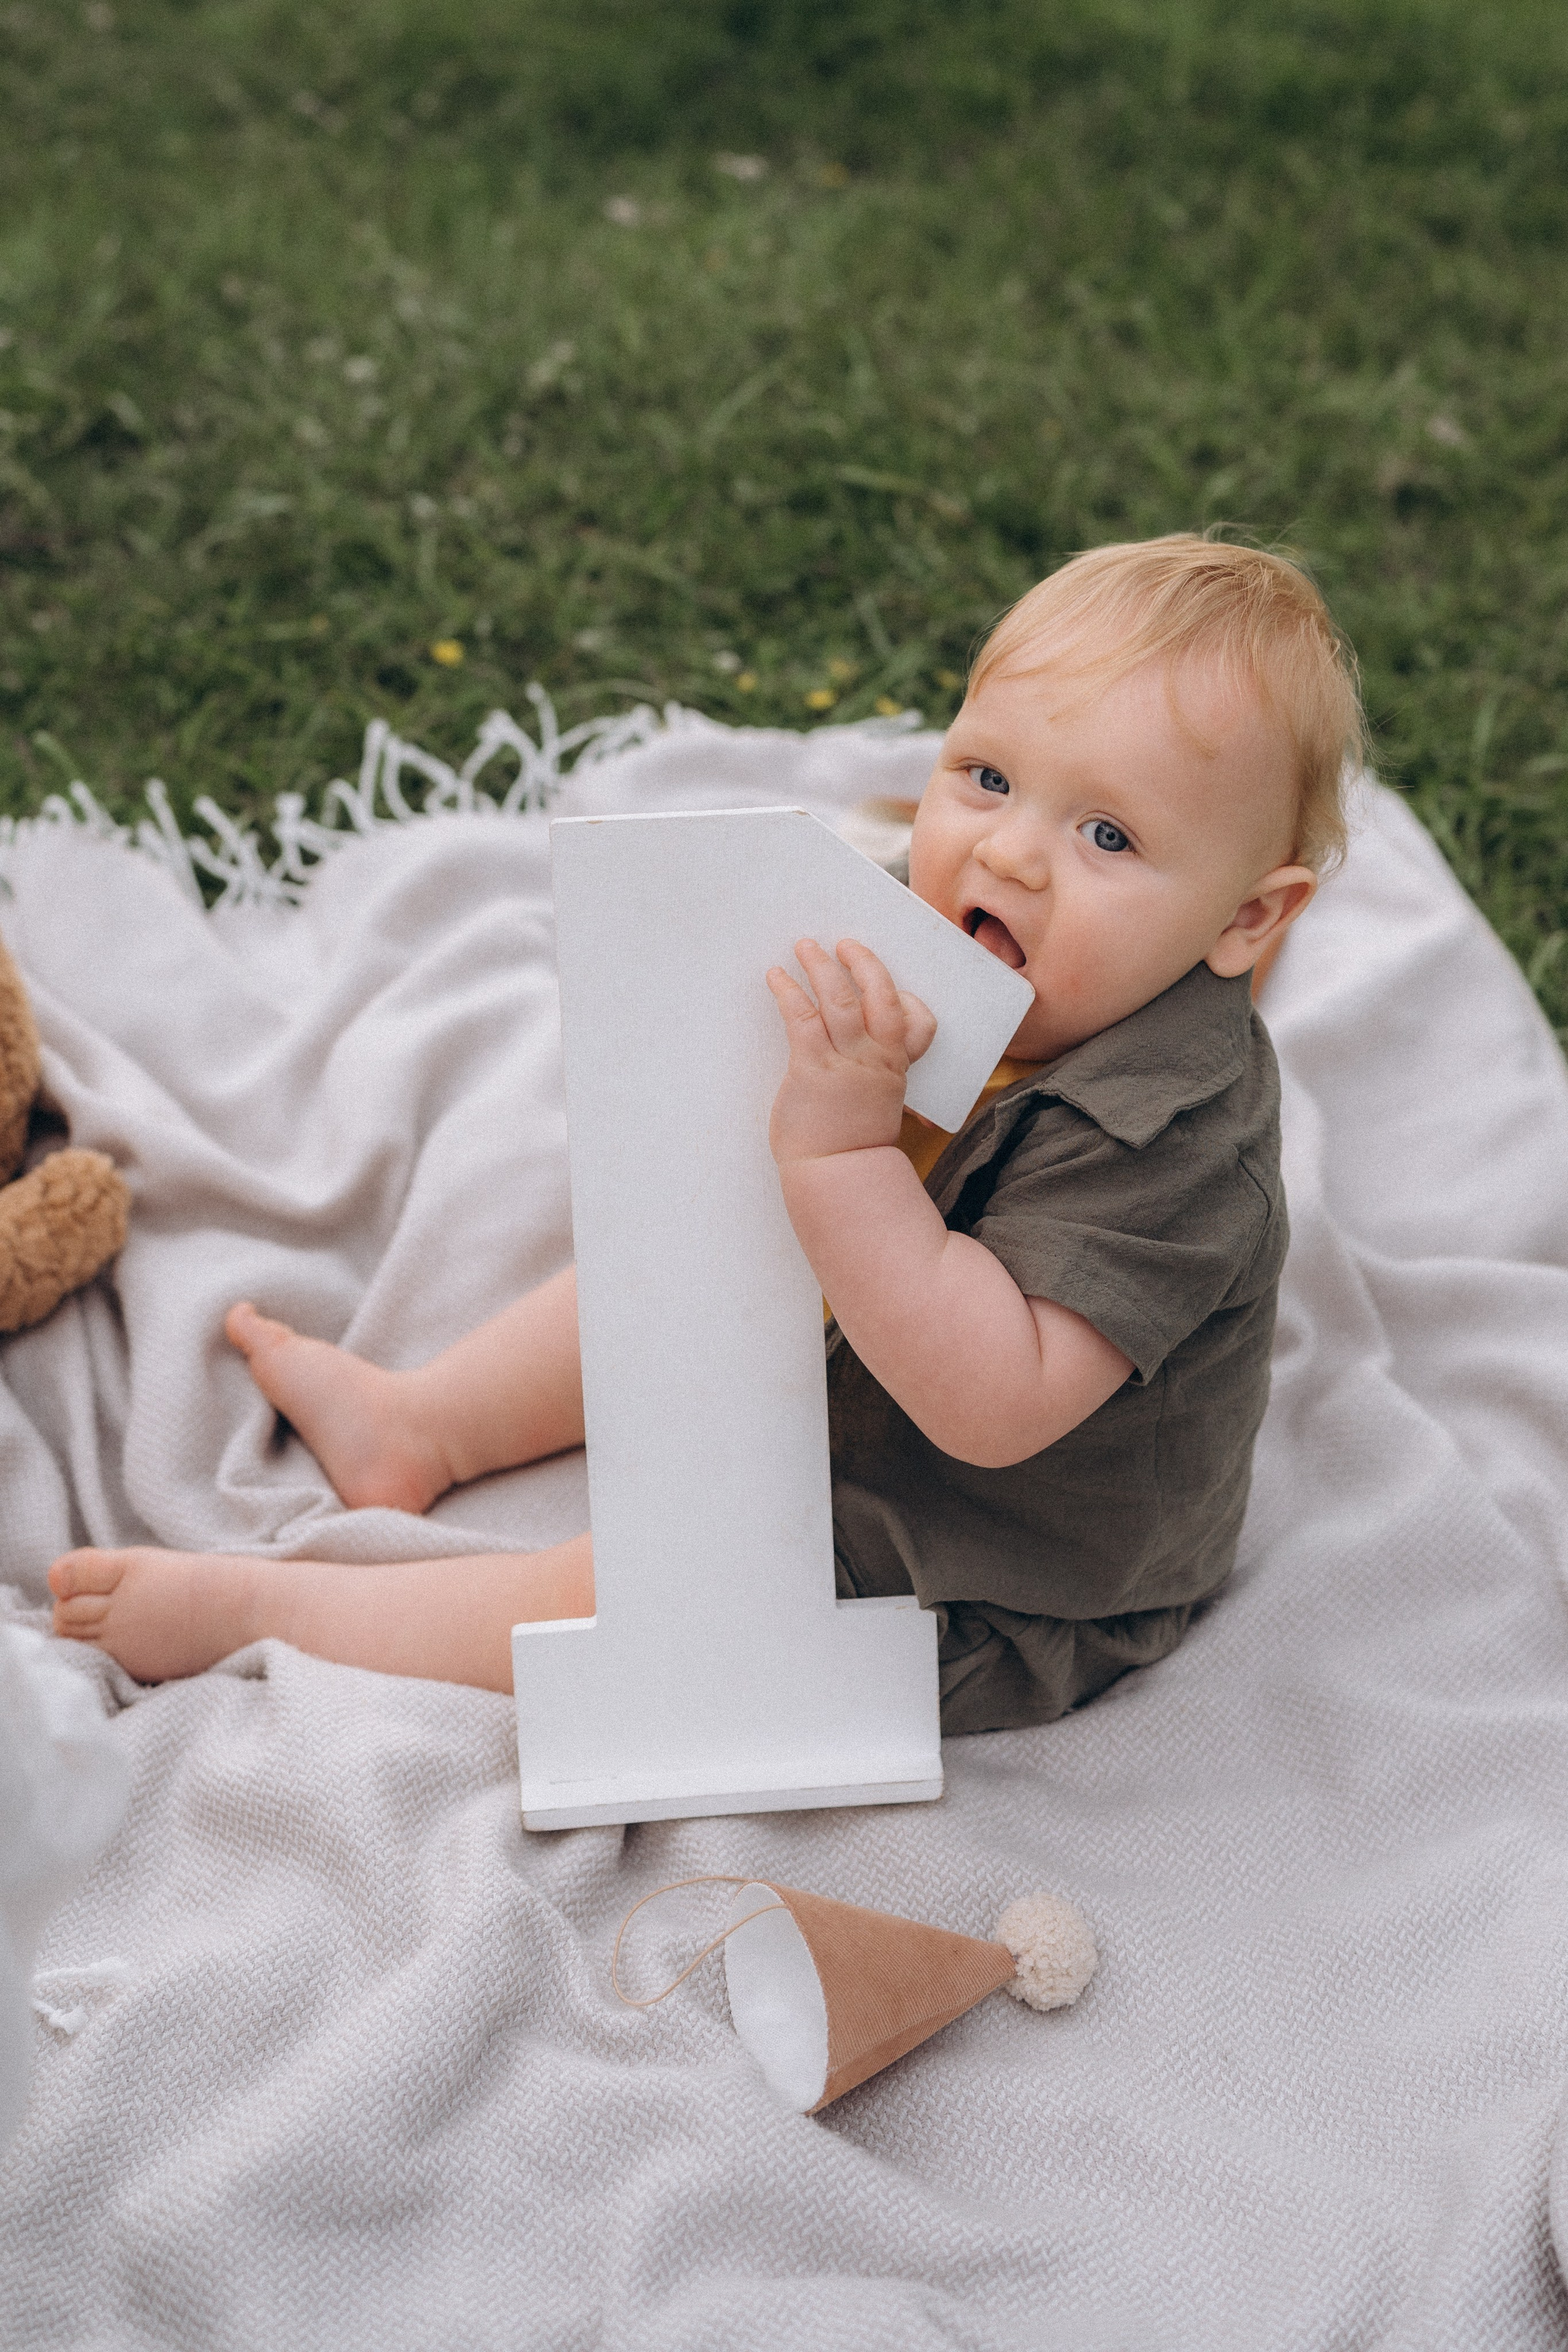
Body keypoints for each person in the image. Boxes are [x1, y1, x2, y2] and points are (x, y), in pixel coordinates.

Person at [49, 533, 1366, 1728]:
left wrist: (839, 1159)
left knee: (644, 1600)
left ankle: (279, 1614)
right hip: (857, 1354)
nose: (1006, 855)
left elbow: (988, 1404)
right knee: (679, 1253)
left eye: (1104, 833)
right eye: (983, 775)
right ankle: (424, 1426)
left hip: (981, 1566)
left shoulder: (1174, 1148)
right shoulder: (973, 946)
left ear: (1248, 921)